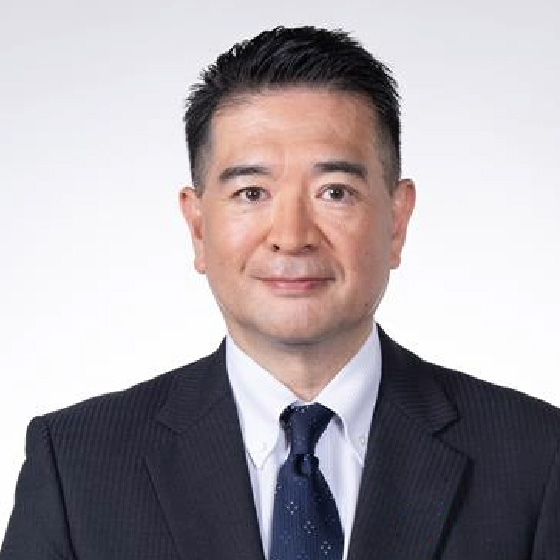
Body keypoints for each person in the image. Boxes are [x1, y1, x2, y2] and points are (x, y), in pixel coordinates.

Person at [1, 25, 559, 560]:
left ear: (397, 220)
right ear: (198, 227)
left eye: (334, 191)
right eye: (252, 192)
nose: (292, 236)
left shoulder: (536, 458)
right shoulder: (76, 466)